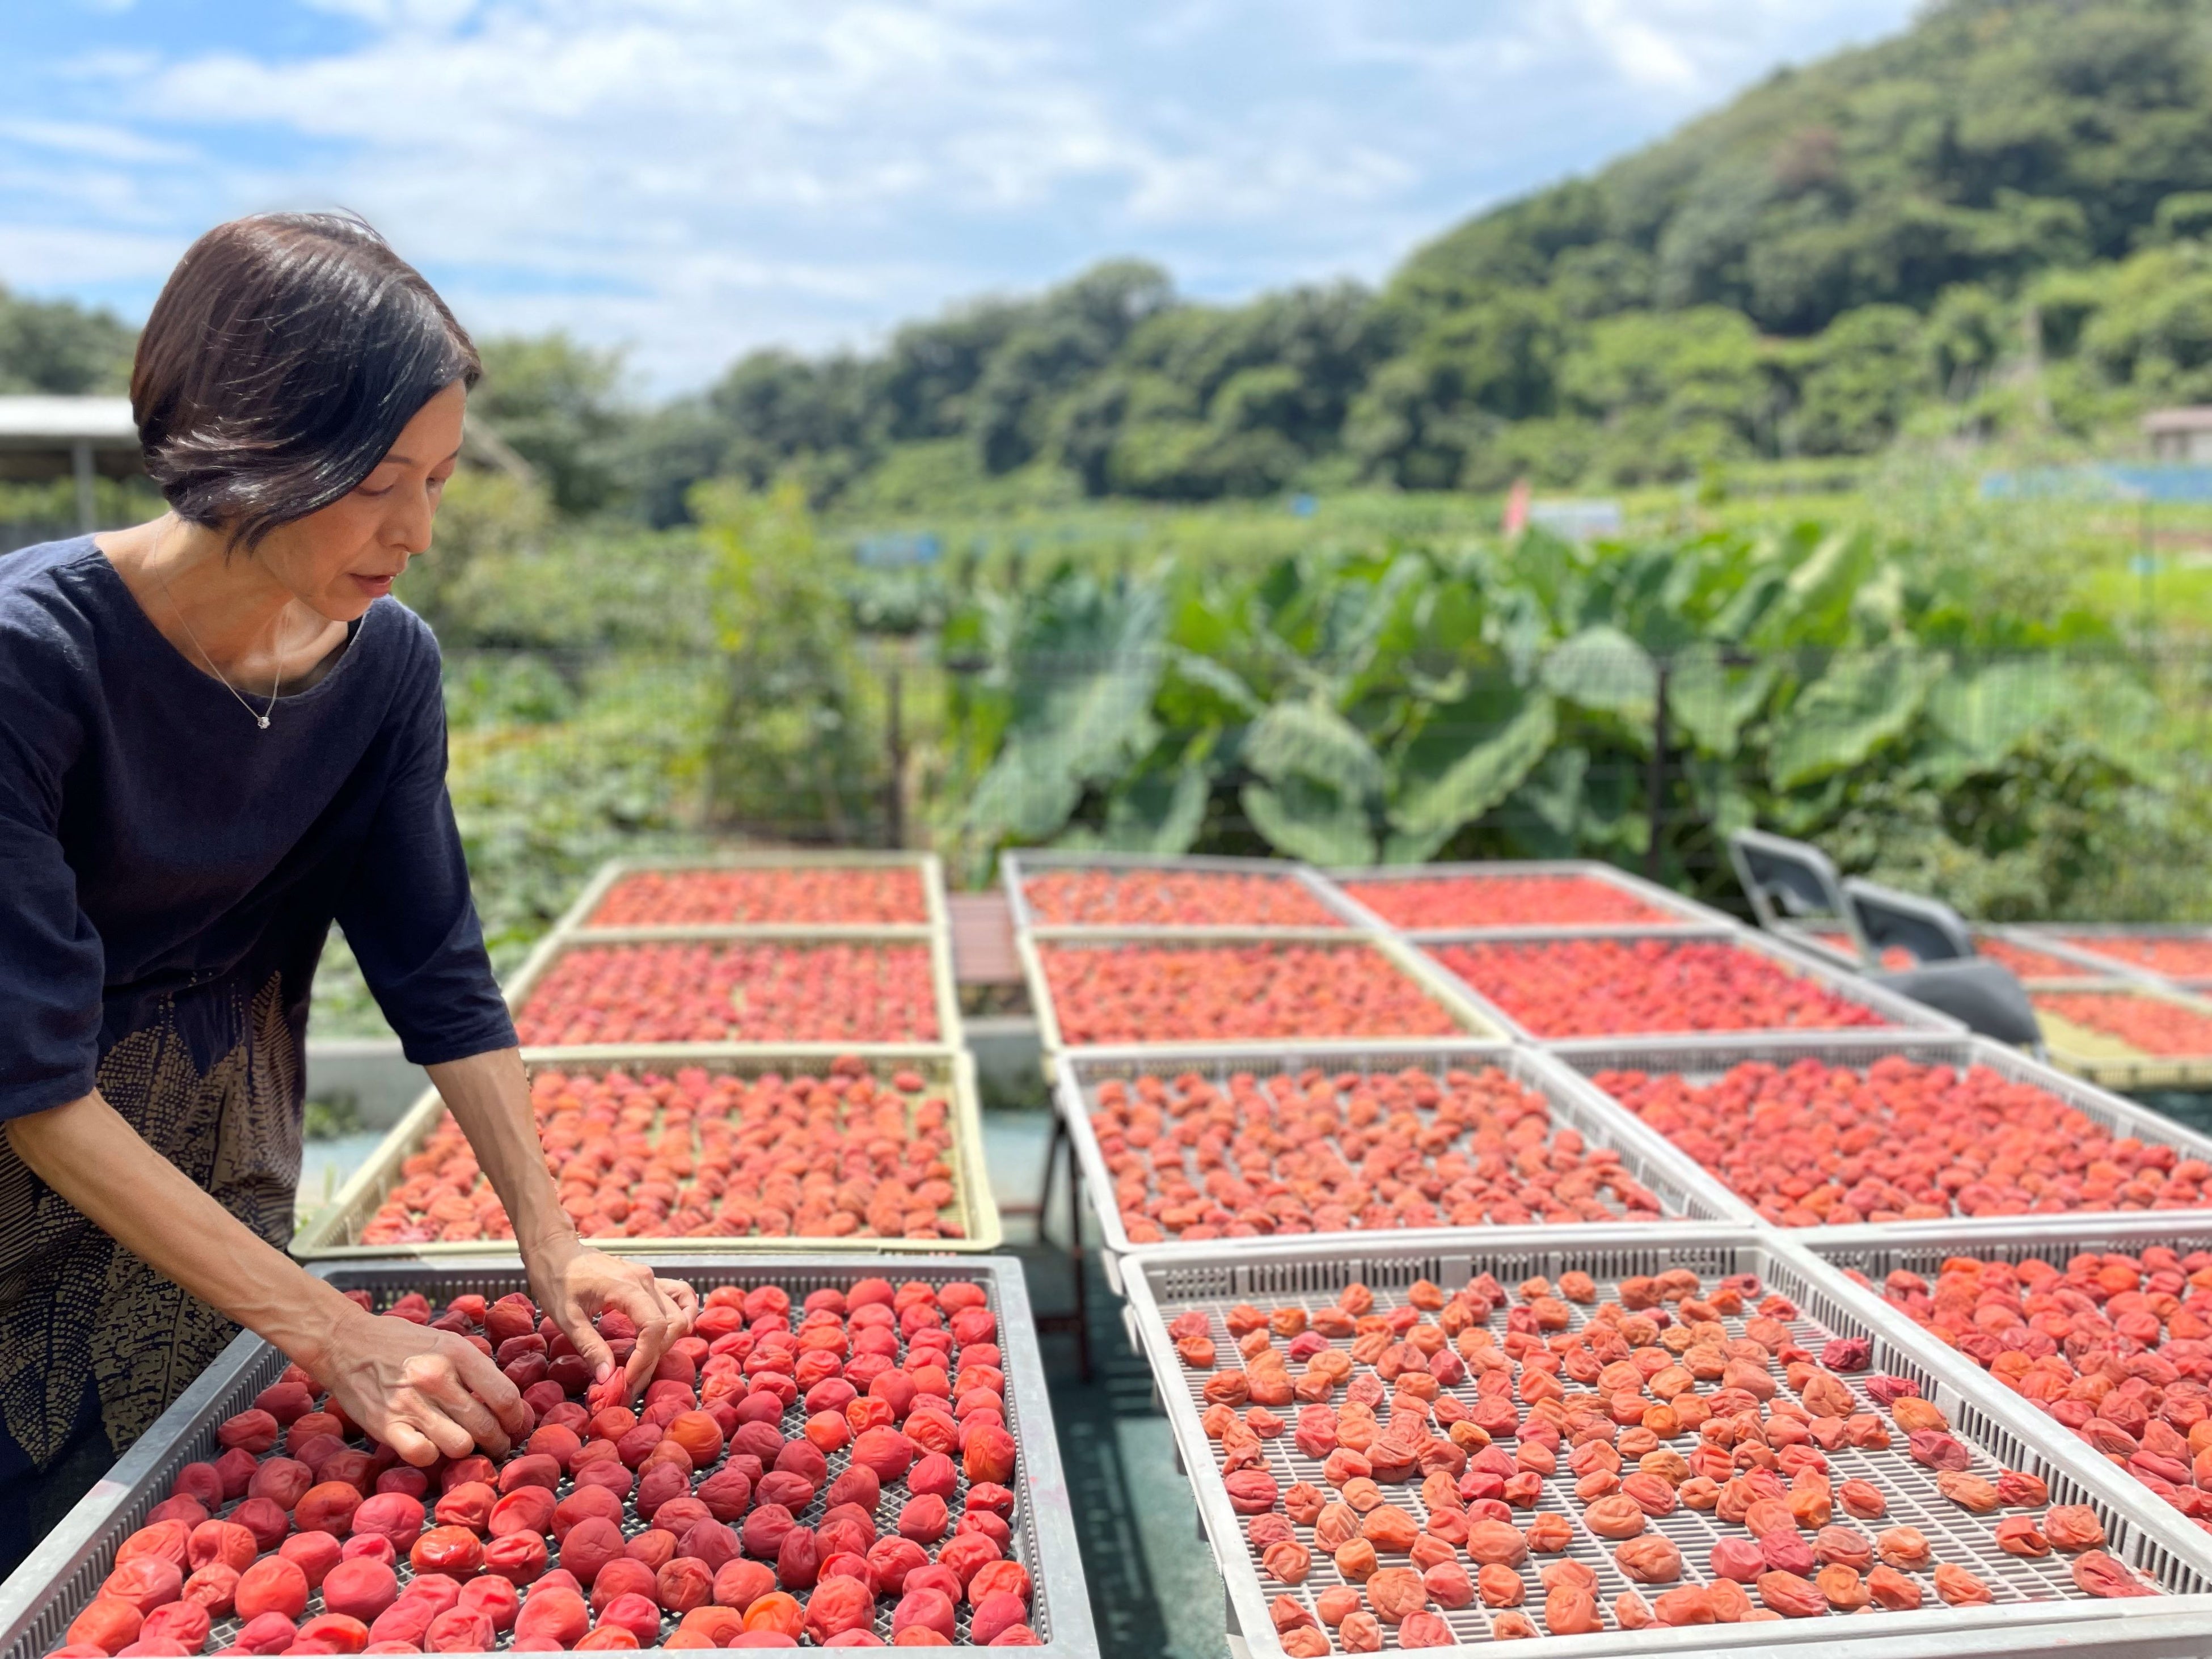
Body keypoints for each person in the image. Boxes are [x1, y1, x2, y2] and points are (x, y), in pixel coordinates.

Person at [0, 212, 695, 1576]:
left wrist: (553, 1245)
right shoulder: (31, 665)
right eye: (382, 479)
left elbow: (435, 965)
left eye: (436, 480)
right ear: (253, 451)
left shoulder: (384, 669)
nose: (419, 530)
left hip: (222, 1192)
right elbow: (28, 1074)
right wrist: (330, 1327)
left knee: (192, 1553)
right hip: (23, 1193)